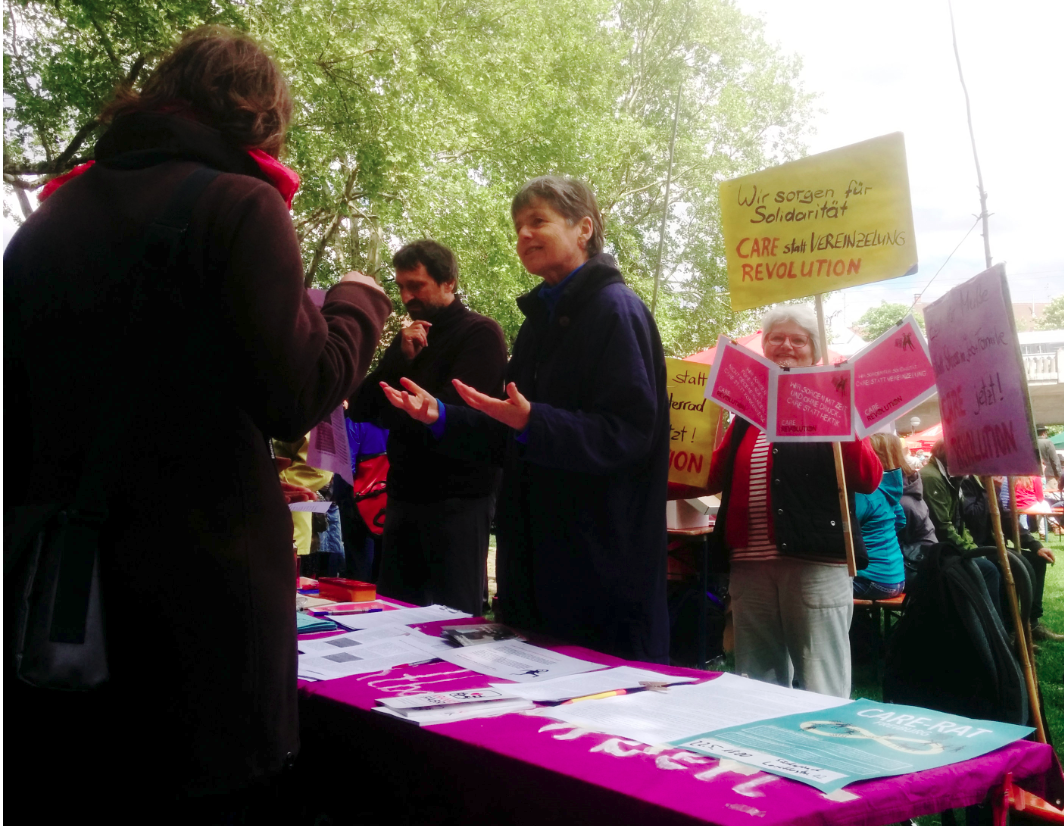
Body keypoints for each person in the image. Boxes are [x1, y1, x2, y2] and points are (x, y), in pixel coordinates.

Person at [4, 27, 391, 817]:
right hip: (194, 622)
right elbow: (298, 394)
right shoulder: (240, 204)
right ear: (262, 116)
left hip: (54, 601)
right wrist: (357, 303)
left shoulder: (54, 215)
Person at [380, 176, 671, 662]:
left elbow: (629, 432)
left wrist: (537, 420)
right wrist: (442, 417)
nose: (524, 237)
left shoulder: (616, 310)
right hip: (536, 564)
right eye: (517, 228)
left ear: (584, 228)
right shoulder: (539, 322)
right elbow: (509, 430)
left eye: (538, 222)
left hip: (596, 566)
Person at [703, 305, 883, 698]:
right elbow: (711, 473)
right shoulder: (747, 409)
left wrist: (840, 415)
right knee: (758, 679)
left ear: (813, 350)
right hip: (749, 564)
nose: (785, 345)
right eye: (775, 337)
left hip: (814, 563)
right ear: (764, 346)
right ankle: (768, 754)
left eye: (797, 339)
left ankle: (826, 753)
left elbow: (868, 478)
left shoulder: (831, 399)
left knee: (821, 678)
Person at [349, 239, 508, 615]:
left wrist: (406, 414)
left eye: (416, 285)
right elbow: (360, 407)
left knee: (449, 622)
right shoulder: (408, 340)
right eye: (401, 286)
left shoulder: (479, 334)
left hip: (458, 501)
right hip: (404, 497)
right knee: (394, 616)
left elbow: (462, 417)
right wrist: (398, 360)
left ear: (449, 282)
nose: (406, 296)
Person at [921, 441, 1006, 621]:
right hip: (935, 551)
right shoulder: (932, 477)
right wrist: (971, 552)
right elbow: (943, 527)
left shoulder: (950, 476)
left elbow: (960, 523)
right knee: (989, 569)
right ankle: (992, 632)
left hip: (947, 547)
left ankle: (1005, 629)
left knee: (1000, 564)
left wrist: (973, 549)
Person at [852, 434, 907, 600]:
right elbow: (900, 520)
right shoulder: (889, 490)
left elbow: (847, 528)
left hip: (871, 580)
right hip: (897, 578)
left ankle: (860, 627)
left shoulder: (866, 493)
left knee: (824, 589)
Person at [1038, 425, 1063, 490]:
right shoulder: (1047, 442)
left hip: (1035, 476)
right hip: (1049, 475)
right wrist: (1059, 474)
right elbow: (1055, 460)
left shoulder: (1031, 443)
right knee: (1052, 496)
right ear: (1043, 433)